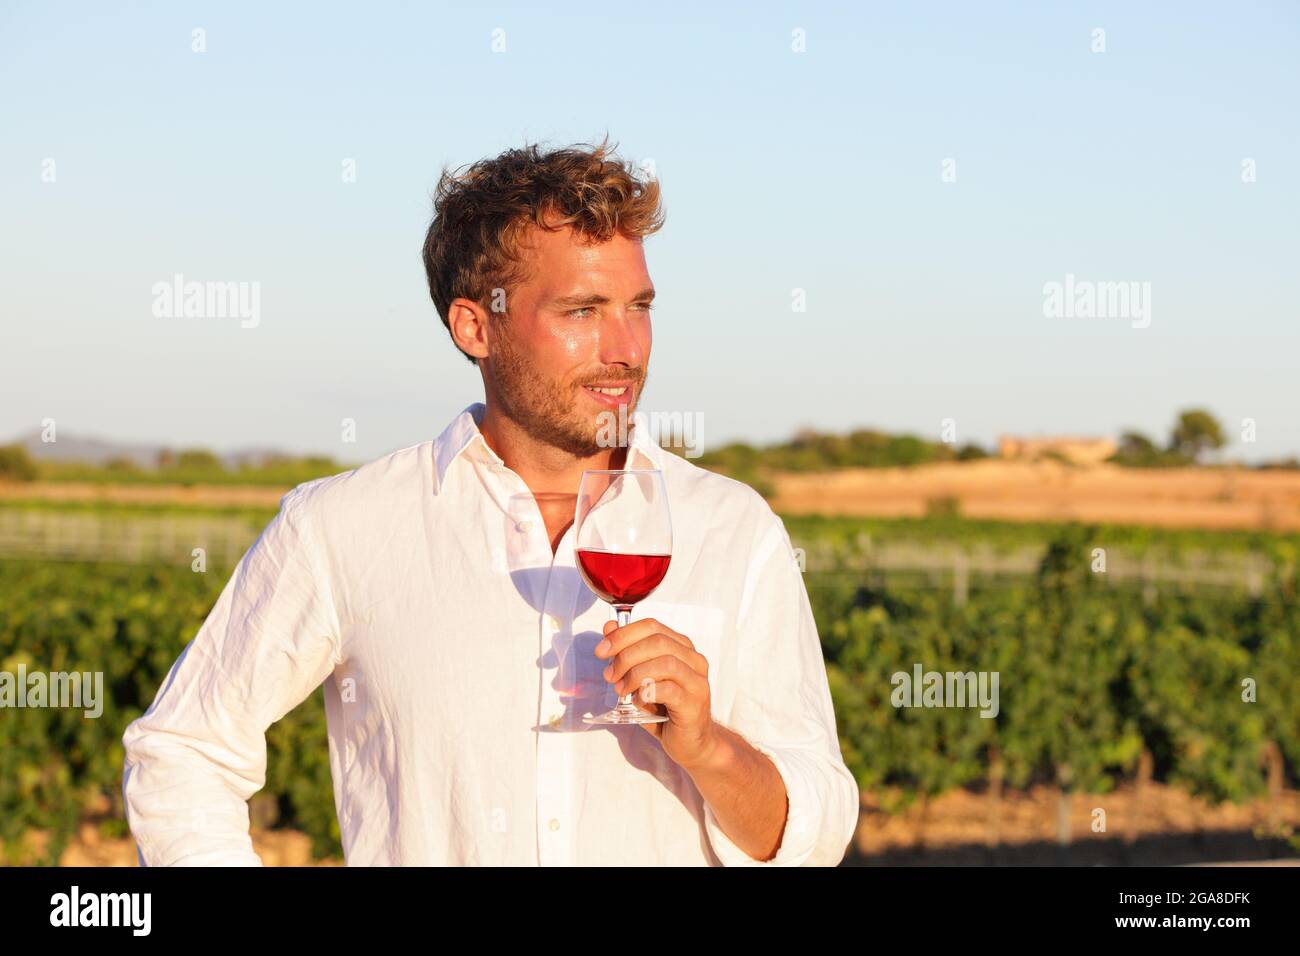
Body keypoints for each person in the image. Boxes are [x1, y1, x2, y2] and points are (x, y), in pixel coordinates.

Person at [121, 136, 859, 866]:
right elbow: (184, 749)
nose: (626, 347)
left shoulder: (733, 529)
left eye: (638, 305)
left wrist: (710, 751)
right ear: (476, 326)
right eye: (581, 311)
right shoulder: (338, 529)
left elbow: (815, 835)